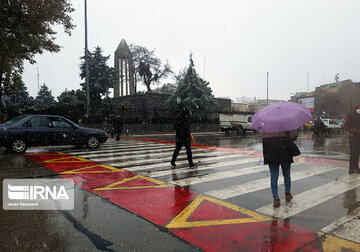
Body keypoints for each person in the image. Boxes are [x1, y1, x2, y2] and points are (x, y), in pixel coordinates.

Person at [262, 130, 298, 208]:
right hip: (285, 153)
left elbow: (264, 142)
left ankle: (276, 199)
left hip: (271, 154)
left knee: (274, 177)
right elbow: (294, 137)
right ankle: (287, 194)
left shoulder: (267, 126)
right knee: (287, 175)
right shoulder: (286, 124)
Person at [343, 104, 360, 174]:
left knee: (358, 153)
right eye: (358, 108)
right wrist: (352, 131)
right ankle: (352, 168)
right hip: (353, 136)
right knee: (354, 153)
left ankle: (356, 168)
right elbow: (345, 125)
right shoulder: (351, 115)